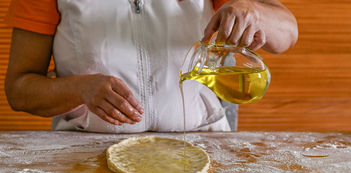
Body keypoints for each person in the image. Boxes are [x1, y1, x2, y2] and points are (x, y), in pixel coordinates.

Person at [5, 0, 297, 133]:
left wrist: (254, 11)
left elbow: (287, 32)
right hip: (85, 156)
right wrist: (79, 89)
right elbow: (20, 89)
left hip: (202, 148)